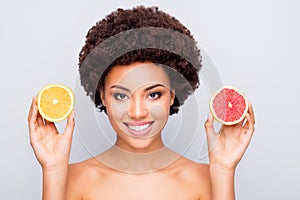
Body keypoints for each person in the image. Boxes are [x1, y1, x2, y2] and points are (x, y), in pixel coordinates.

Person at [28, 6, 255, 200]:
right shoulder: (71, 180)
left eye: (153, 94)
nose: (137, 112)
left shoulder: (207, 180)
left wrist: (224, 170)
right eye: (121, 96)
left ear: (173, 94)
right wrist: (53, 169)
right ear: (103, 96)